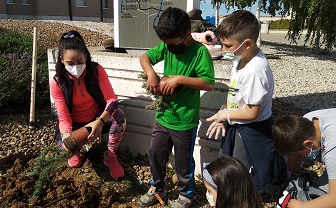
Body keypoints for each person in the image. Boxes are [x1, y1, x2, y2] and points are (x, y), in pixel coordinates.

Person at [138, 7, 215, 208]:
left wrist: (179, 79)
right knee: (155, 153)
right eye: (166, 44)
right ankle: (157, 186)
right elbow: (145, 58)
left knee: (183, 161)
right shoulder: (166, 47)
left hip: (184, 119)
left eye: (172, 44)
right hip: (163, 116)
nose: (169, 48)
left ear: (187, 34)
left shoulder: (199, 53)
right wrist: (151, 74)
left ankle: (186, 195)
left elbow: (208, 83)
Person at [205, 10, 287, 196]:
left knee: (243, 174)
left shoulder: (254, 71)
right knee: (229, 167)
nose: (223, 50)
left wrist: (224, 115)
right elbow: (239, 95)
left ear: (247, 44)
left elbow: (252, 113)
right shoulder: (242, 58)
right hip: (238, 124)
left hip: (252, 129)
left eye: (227, 45)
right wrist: (226, 111)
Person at [50, 30, 126, 180]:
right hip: (75, 124)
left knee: (119, 116)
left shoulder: (97, 71)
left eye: (80, 62)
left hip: (97, 119)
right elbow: (63, 115)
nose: (76, 67)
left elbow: (112, 100)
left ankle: (110, 155)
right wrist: (67, 136)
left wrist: (100, 121)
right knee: (64, 146)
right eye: (70, 63)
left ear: (86, 55)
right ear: (62, 60)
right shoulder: (57, 82)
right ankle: (75, 151)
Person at [272, 108, 336, 208]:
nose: (298, 155)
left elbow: (334, 200)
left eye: (299, 153)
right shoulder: (308, 120)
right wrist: (296, 159)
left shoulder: (333, 150)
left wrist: (302, 205)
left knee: (321, 195)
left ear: (308, 144)